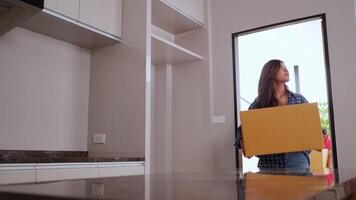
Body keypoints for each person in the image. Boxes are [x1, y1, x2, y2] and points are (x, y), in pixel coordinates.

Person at [245, 59, 310, 170]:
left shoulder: (299, 99)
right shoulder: (258, 104)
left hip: (297, 160)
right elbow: (246, 134)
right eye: (281, 67)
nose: (286, 69)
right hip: (270, 162)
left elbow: (312, 126)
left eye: (286, 67)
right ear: (270, 72)